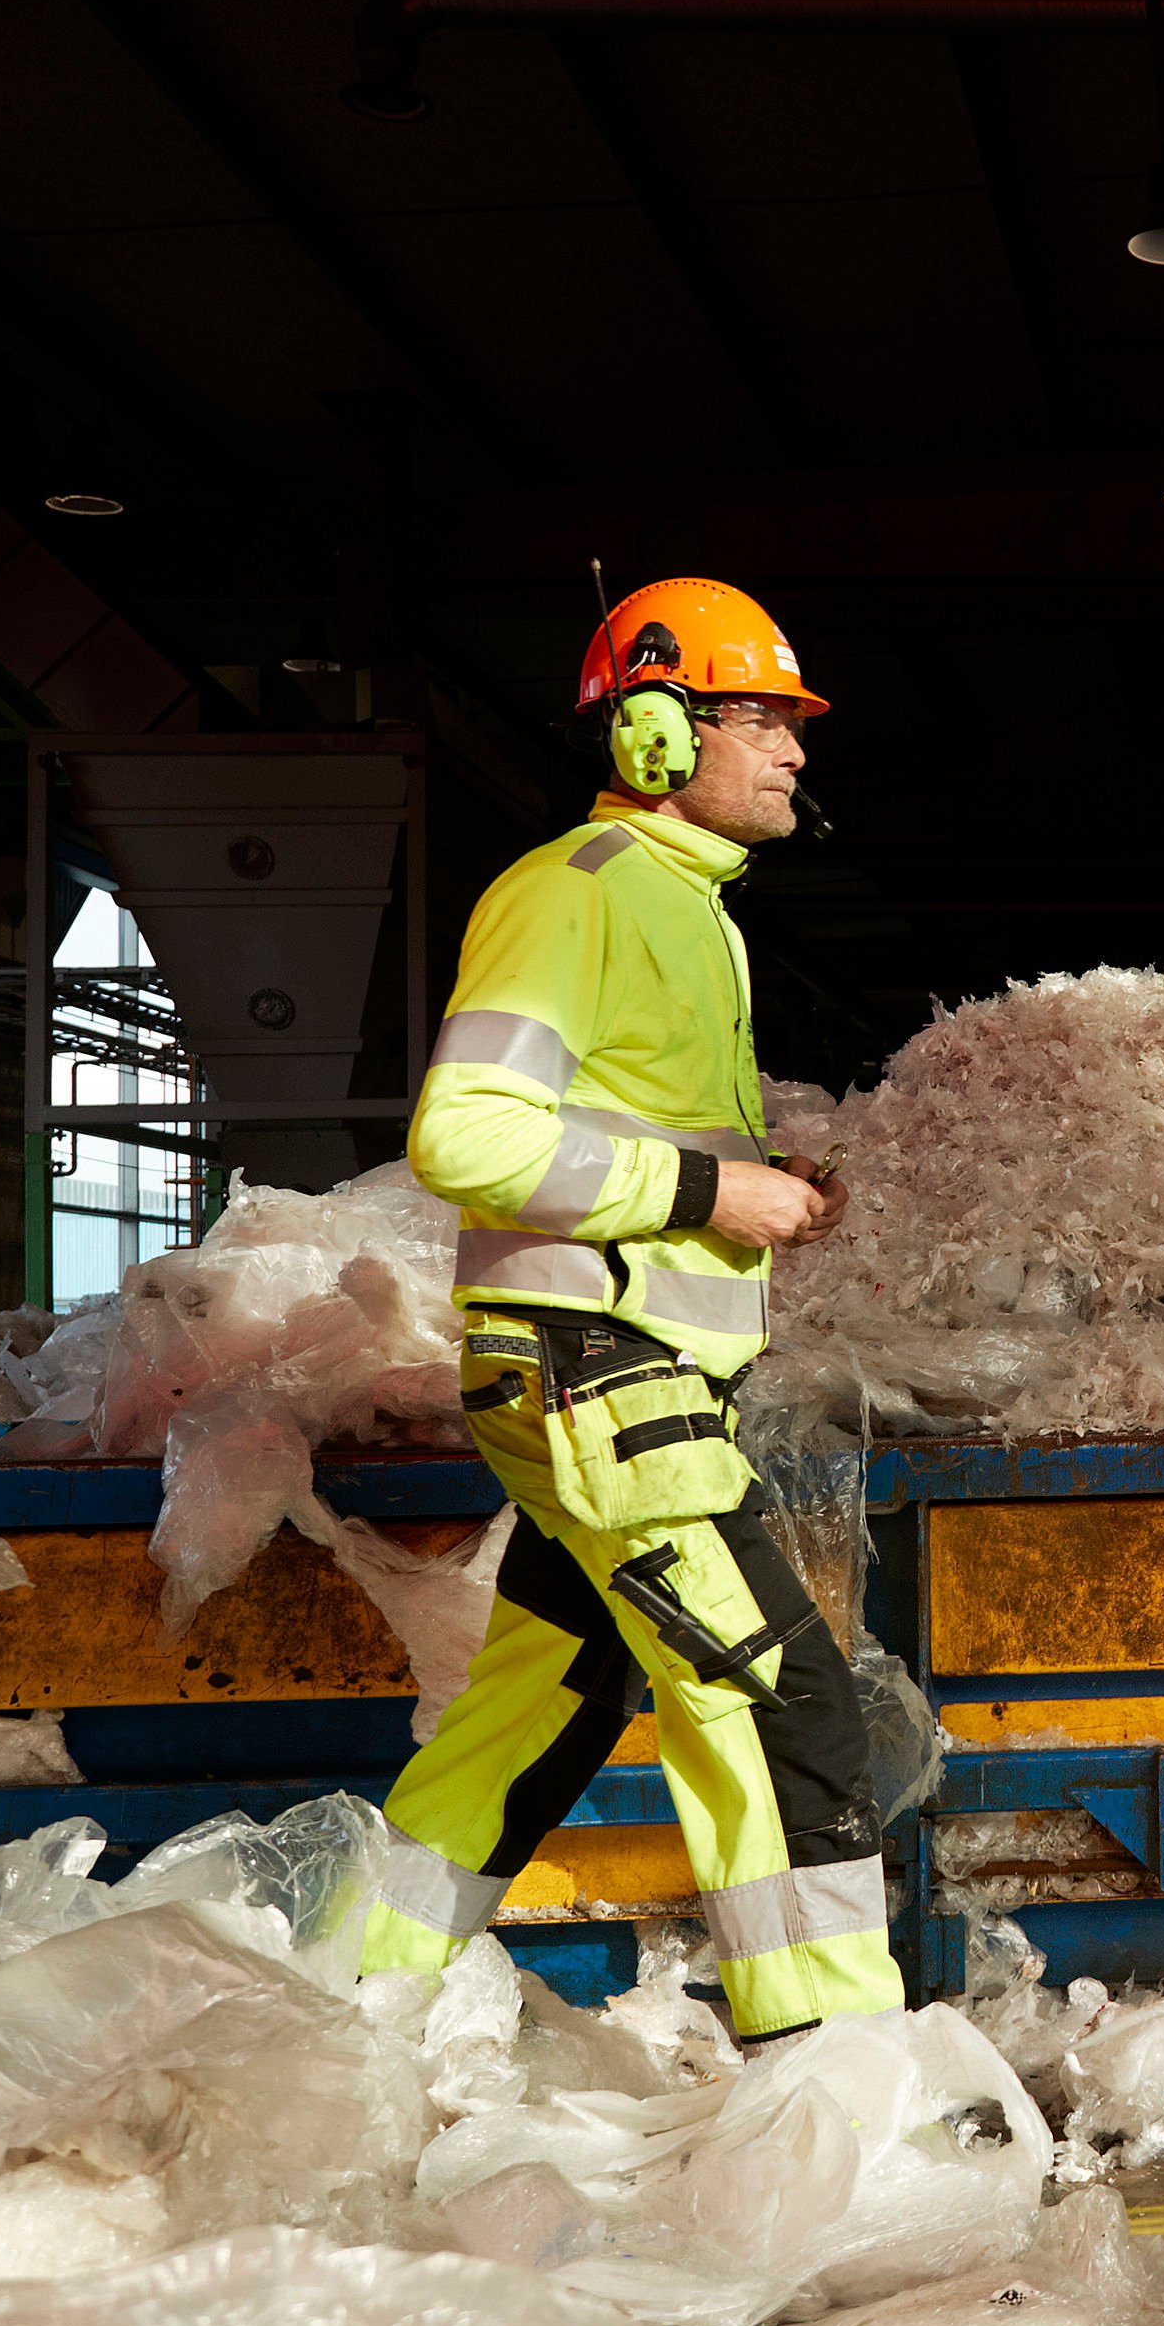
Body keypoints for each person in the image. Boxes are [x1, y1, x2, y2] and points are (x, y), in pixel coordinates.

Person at [355, 576, 895, 2038]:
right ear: (657, 731)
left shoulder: (687, 909)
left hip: (620, 1378)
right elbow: (462, 1134)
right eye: (761, 719)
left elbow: (628, 1143)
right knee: (781, 1706)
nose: (794, 750)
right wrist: (708, 1196)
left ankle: (349, 2005)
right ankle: (843, 2085)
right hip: (599, 1375)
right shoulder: (573, 895)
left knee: (537, 1711)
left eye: (795, 724)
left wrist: (752, 1182)